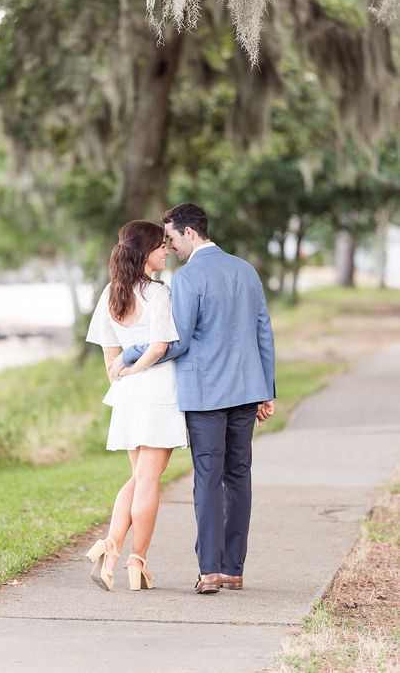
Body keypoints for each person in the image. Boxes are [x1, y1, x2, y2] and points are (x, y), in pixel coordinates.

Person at [110, 203, 276, 594]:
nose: (170, 245)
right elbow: (263, 332)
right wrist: (267, 391)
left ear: (188, 233)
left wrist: (128, 356)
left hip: (206, 394)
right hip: (248, 390)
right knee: (239, 476)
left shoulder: (188, 278)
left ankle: (210, 571)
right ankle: (233, 569)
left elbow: (176, 341)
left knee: (208, 477)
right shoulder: (246, 270)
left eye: (170, 237)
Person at [85, 219, 188, 592]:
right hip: (158, 390)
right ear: (146, 252)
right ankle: (135, 559)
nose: (167, 250)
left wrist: (122, 376)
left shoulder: (112, 292)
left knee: (137, 477)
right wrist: (137, 368)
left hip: (128, 397)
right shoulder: (158, 293)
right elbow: (160, 347)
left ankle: (110, 547)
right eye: (162, 246)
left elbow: (109, 354)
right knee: (148, 479)